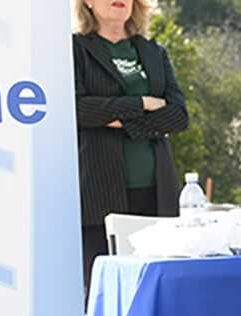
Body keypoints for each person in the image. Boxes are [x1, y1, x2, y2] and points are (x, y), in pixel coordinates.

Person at [72, 0, 188, 291]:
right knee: (105, 290)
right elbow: (78, 109)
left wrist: (116, 117)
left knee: (155, 289)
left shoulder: (153, 52)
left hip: (157, 192)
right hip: (100, 190)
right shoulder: (76, 50)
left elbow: (177, 116)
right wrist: (142, 104)